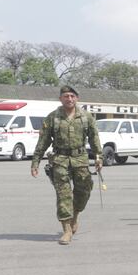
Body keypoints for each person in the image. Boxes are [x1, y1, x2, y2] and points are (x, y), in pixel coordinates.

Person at [31, 85, 103, 245]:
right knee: (63, 196)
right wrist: (35, 161)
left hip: (81, 160)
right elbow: (42, 142)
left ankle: (75, 215)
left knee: (83, 192)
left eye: (72, 96)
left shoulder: (86, 117)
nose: (69, 99)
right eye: (66, 96)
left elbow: (94, 139)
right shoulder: (52, 118)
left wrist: (99, 158)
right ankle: (67, 230)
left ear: (77, 98)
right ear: (60, 99)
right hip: (60, 160)